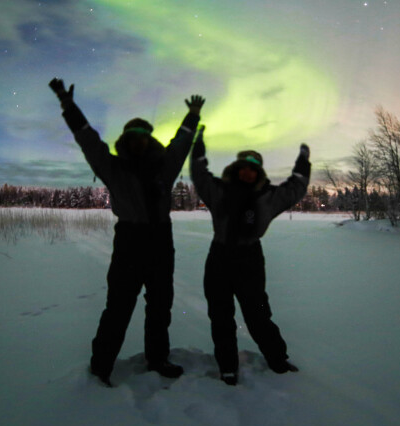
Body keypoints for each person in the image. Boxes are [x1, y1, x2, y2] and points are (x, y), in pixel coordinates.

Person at [49, 78, 204, 387]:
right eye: (132, 135)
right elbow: (88, 139)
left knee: (160, 306)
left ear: (149, 139)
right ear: (125, 140)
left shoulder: (164, 167)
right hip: (129, 241)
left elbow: (181, 143)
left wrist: (193, 116)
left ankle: (157, 359)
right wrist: (68, 105)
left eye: (143, 135)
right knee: (119, 307)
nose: (138, 140)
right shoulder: (112, 167)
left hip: (161, 240)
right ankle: (101, 367)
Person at [190, 126, 310, 385]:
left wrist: (303, 162)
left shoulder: (268, 197)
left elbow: (295, 188)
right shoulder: (219, 191)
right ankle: (228, 367)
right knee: (221, 316)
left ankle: (277, 359)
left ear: (258, 172)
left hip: (250, 259)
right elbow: (199, 175)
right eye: (243, 167)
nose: (247, 172)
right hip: (220, 257)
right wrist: (198, 146)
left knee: (258, 314)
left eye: (252, 168)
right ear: (236, 169)